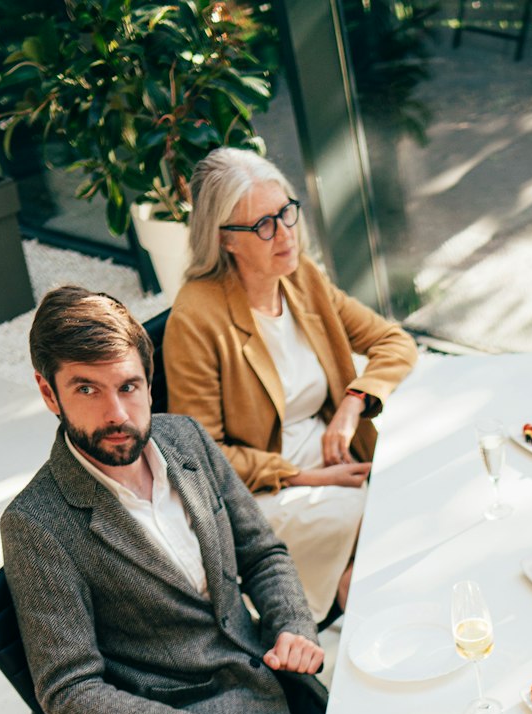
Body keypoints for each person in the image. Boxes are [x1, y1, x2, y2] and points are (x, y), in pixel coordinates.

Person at [2, 286, 327, 714]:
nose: (116, 413)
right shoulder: (35, 524)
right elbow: (68, 691)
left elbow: (262, 552)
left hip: (272, 675)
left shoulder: (186, 439)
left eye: (129, 387)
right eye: (87, 389)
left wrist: (292, 622)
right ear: (48, 392)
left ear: (147, 381)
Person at [164, 148, 417, 624]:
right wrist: (309, 477)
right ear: (225, 240)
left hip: (329, 451)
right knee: (372, 513)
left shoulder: (300, 275)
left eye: (286, 213)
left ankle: (361, 605)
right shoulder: (195, 319)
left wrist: (351, 406)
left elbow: (393, 342)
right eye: (264, 224)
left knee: (409, 491)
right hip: (264, 488)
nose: (285, 234)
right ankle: (366, 616)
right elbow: (201, 456)